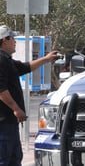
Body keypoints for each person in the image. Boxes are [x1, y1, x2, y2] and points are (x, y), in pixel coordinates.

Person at [0, 25, 60, 166]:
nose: (15, 42)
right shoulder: (1, 60)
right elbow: (1, 90)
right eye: (12, 39)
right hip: (3, 123)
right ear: (4, 40)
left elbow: (26, 67)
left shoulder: (7, 60)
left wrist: (46, 59)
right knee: (4, 159)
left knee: (14, 158)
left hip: (10, 122)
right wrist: (16, 109)